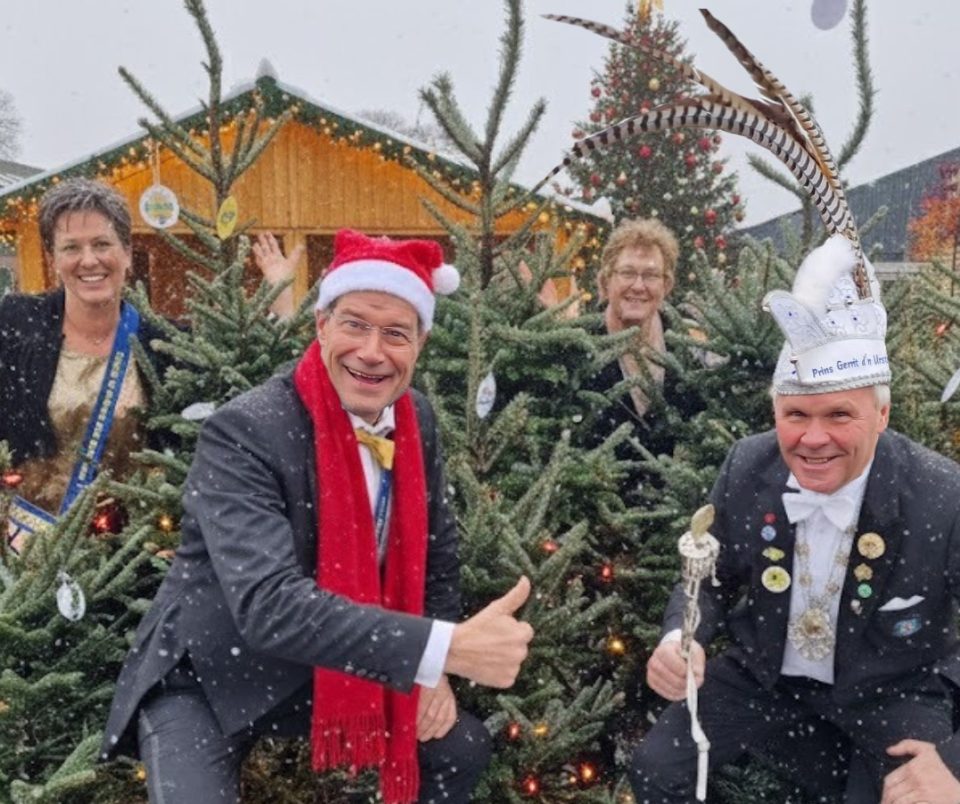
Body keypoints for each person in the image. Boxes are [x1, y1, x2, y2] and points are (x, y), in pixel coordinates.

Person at [100, 228, 535, 804]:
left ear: (421, 344)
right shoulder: (245, 430)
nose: (372, 351)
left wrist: (434, 674)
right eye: (355, 324)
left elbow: (436, 554)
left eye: (396, 333)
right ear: (321, 325)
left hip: (330, 663)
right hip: (210, 671)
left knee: (460, 750)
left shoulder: (415, 418)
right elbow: (268, 605)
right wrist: (442, 648)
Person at [630, 235, 960, 803]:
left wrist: (954, 765)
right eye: (795, 415)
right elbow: (708, 577)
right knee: (656, 767)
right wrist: (681, 637)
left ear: (881, 415)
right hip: (763, 678)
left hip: (891, 689)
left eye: (839, 415)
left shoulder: (942, 493)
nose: (813, 438)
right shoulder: (747, 465)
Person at [0, 178, 295, 539]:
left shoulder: (166, 344)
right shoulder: (14, 326)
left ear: (126, 252)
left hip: (134, 558)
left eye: (102, 244)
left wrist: (283, 302)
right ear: (53, 258)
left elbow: (253, 382)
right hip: (26, 558)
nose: (89, 259)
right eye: (71, 247)